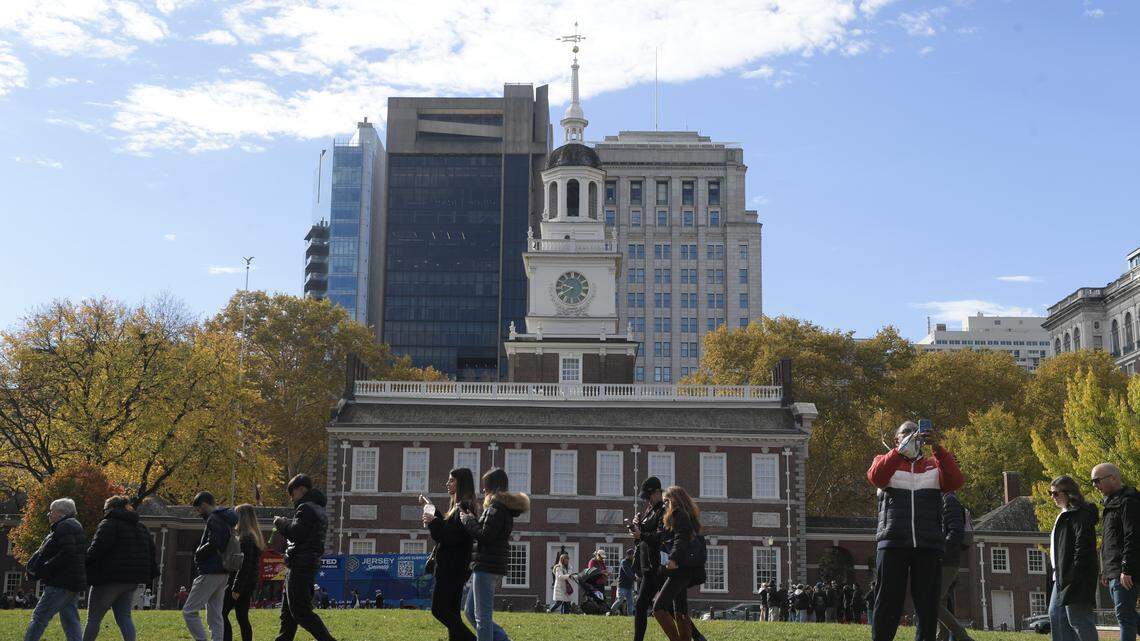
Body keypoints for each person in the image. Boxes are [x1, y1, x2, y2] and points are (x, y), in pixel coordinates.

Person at [867, 420, 963, 641]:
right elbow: (876, 477)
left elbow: (955, 481)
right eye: (906, 432)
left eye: (915, 432)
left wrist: (938, 448)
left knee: (928, 604)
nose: (912, 435)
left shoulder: (932, 466)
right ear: (896, 439)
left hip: (927, 544)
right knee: (888, 601)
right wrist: (899, 454)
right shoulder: (884, 461)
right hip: (893, 542)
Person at [461, 467, 530, 641]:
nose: (483, 490)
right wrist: (474, 520)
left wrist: (468, 521)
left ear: (493, 488)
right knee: (470, 612)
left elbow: (485, 536)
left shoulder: (496, 508)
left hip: (486, 567)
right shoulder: (501, 508)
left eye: (486, 486)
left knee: (482, 617)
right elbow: (488, 532)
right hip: (489, 565)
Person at [83, 495, 160, 641]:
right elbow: (151, 551)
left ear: (111, 508)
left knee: (93, 619)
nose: (104, 513)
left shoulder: (109, 523)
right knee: (124, 617)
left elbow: (97, 549)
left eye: (104, 509)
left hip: (108, 579)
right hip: (131, 580)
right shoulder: (141, 527)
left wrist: (84, 561)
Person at [271, 474, 337, 641]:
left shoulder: (305, 508)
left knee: (300, 612)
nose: (292, 499)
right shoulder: (318, 509)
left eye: (292, 494)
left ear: (301, 489)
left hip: (300, 564)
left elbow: (297, 534)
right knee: (288, 614)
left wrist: (281, 524)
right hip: (306, 563)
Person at [422, 467, 477, 641]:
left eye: (451, 480)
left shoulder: (464, 506)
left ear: (461, 483)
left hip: (451, 568)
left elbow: (450, 536)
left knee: (439, 610)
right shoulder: (459, 505)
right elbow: (449, 528)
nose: (447, 484)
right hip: (455, 568)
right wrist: (433, 511)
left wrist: (433, 522)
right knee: (452, 612)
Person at [23, 497, 86, 641]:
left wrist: (46, 567)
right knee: (71, 620)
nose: (49, 514)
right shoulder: (76, 525)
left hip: (60, 582)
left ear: (61, 513)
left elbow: (67, 553)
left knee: (39, 618)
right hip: (73, 582)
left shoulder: (64, 527)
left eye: (51, 511)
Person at [1047, 475, 1099, 641]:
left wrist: (1075, 573)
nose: (1052, 497)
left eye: (1055, 493)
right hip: (1061, 577)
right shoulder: (1064, 514)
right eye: (1050, 493)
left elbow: (1082, 546)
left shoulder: (1080, 514)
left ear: (1068, 493)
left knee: (1079, 620)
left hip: (1076, 576)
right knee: (1056, 616)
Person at [1093, 463, 1140, 641]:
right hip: (1113, 571)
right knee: (1127, 614)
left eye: (1097, 481)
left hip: (1125, 571)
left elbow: (1133, 536)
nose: (1095, 485)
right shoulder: (1109, 505)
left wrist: (1126, 569)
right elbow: (1108, 541)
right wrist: (1105, 570)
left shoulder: (1129, 502)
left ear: (1113, 478)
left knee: (1124, 616)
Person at [650, 485, 703, 641]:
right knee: (680, 609)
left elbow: (681, 538)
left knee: (658, 608)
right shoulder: (686, 516)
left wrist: (673, 559)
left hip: (679, 569)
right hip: (683, 569)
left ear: (675, 500)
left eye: (667, 501)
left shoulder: (679, 514)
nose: (664, 504)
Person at [183, 492, 238, 641]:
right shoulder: (227, 519)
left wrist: (198, 553)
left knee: (189, 611)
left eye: (198, 508)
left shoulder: (213, 518)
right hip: (223, 572)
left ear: (204, 505)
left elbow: (214, 543)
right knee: (215, 614)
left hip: (210, 571)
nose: (198, 512)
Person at [935, 491, 974, 641]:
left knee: (933, 601)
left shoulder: (949, 500)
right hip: (946, 560)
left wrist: (940, 550)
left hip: (947, 560)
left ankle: (962, 637)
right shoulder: (943, 499)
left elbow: (955, 532)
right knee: (941, 601)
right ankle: (941, 638)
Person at [223, 504, 265, 641]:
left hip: (239, 584)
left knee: (222, 614)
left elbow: (245, 566)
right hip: (248, 584)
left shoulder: (245, 538)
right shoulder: (253, 537)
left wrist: (236, 588)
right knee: (242, 617)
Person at [610, 548, 636, 616]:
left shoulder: (632, 562)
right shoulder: (624, 562)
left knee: (630, 602)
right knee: (620, 600)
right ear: (628, 555)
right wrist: (635, 578)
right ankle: (611, 612)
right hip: (622, 586)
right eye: (632, 555)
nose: (633, 556)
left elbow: (635, 570)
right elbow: (628, 573)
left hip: (629, 586)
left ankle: (630, 616)